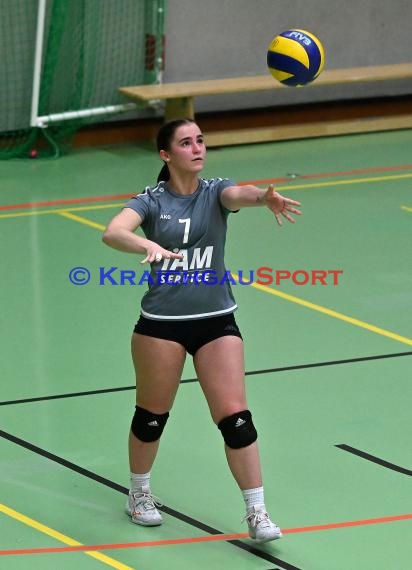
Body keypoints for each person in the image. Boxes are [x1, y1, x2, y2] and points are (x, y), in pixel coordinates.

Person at [102, 118, 301, 543]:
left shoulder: (215, 192)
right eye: (186, 143)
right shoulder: (150, 201)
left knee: (236, 419)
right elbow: (114, 232)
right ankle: (138, 494)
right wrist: (147, 245)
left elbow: (238, 194)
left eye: (200, 140)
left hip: (216, 321)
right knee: (151, 418)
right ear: (166, 155)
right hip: (162, 326)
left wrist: (263, 198)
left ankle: (257, 512)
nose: (197, 148)